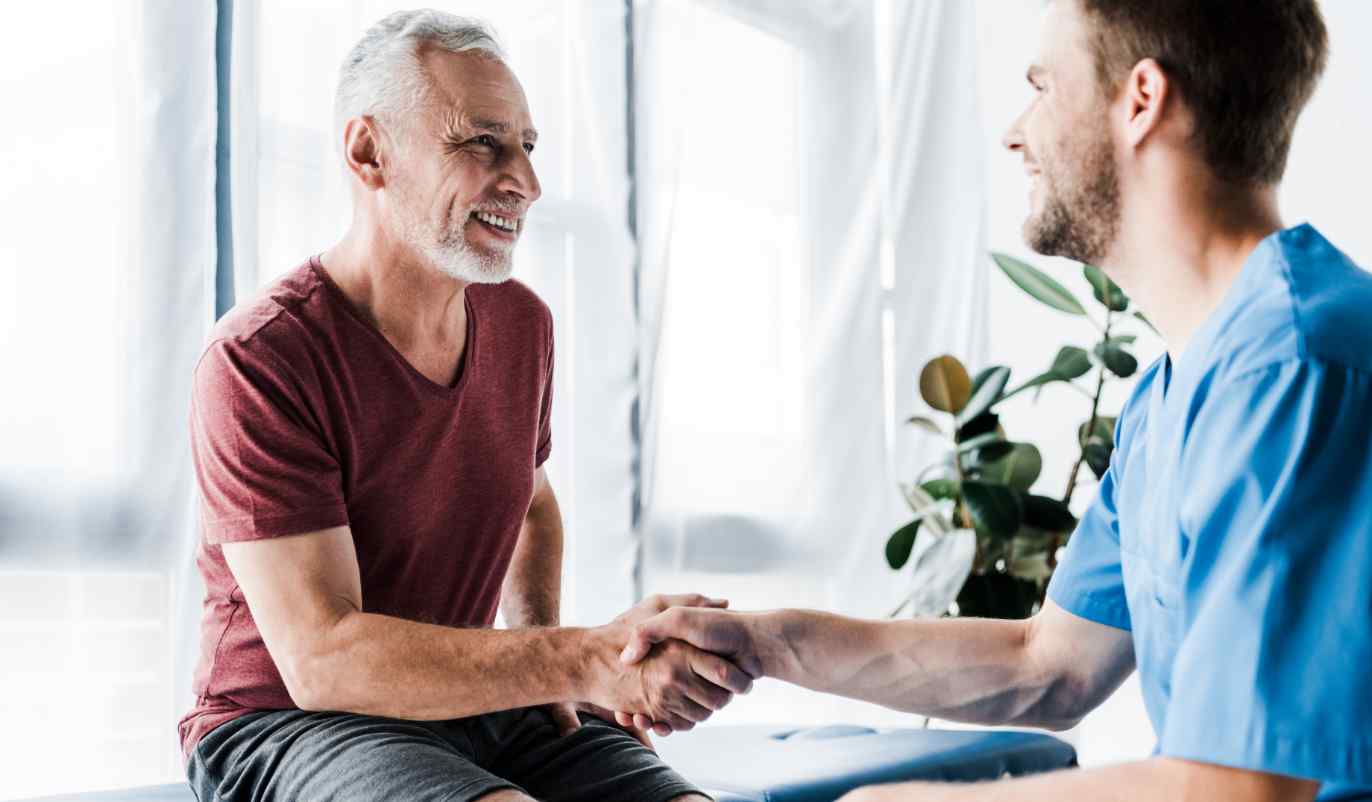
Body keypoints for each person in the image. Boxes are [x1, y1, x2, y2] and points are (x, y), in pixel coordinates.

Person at [619, 1, 1372, 800]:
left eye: (1043, 87)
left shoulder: (1296, 366)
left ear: (1142, 100)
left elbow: (1243, 790)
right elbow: (1047, 666)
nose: (1017, 132)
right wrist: (765, 644)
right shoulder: (1174, 390)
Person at [178, 11, 748, 802]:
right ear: (369, 152)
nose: (526, 181)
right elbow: (323, 657)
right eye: (482, 143)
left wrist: (544, 659)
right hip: (284, 721)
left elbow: (533, 508)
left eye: (527, 146)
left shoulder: (522, 323)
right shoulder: (261, 357)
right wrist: (578, 658)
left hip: (471, 705)